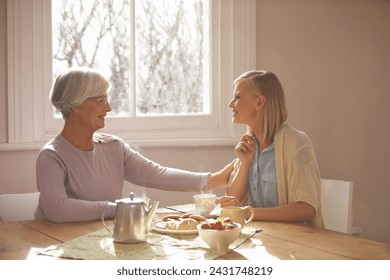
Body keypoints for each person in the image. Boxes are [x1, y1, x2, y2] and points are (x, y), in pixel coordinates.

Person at [35, 67, 231, 223]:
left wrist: (213, 180)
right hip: (55, 245)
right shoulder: (51, 156)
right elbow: (57, 210)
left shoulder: (113, 147)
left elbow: (156, 174)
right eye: (101, 100)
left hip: (100, 238)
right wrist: (119, 208)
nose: (109, 108)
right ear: (75, 105)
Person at [216, 70, 322, 227]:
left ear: (259, 102)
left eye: (237, 97)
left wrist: (250, 212)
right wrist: (245, 164)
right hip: (261, 238)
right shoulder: (249, 145)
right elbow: (233, 202)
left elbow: (307, 209)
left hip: (295, 242)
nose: (231, 104)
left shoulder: (297, 143)